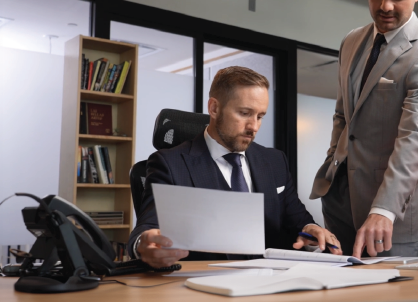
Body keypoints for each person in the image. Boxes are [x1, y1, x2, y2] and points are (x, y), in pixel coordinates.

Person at [311, 0, 418, 259]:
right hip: (338, 201)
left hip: (392, 216)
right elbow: (342, 115)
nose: (385, 6)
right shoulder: (352, 41)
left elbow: (417, 140)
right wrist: (333, 160)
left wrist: (384, 210)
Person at [130, 66, 342, 267]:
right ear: (214, 108)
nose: (254, 127)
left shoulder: (274, 160)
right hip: (205, 285)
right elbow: (147, 228)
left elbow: (299, 221)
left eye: (260, 116)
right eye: (244, 113)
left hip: (270, 283)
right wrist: (144, 244)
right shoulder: (170, 163)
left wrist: (312, 230)